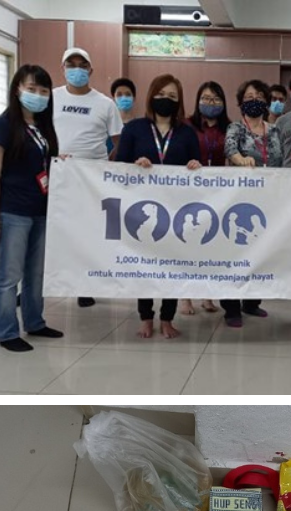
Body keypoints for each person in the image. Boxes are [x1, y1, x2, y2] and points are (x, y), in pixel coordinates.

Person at [114, 74, 203, 339]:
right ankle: (145, 318)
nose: (166, 100)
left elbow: (198, 170)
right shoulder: (134, 129)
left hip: (176, 211)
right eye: (162, 94)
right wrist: (135, 166)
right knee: (146, 266)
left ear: (180, 102)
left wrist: (195, 167)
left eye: (173, 97)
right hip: (142, 210)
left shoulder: (187, 132)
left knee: (172, 266)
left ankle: (167, 318)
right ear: (152, 96)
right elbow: (118, 168)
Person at [0, 65, 63, 353]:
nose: (37, 95)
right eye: (31, 89)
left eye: (43, 91)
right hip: (14, 210)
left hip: (42, 209)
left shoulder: (44, 127)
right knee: (9, 275)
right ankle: (7, 330)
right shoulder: (6, 123)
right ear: (17, 89)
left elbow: (45, 164)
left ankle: (35, 321)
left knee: (36, 272)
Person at [52, 47, 121, 309]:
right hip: (57, 176)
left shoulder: (105, 104)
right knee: (54, 232)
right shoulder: (52, 98)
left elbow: (118, 141)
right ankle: (41, 283)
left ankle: (84, 286)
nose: (77, 69)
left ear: (91, 70)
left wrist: (105, 169)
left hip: (92, 180)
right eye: (71, 64)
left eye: (83, 65)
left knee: (88, 233)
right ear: (63, 69)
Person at [219, 79, 287, 328]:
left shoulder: (275, 129)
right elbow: (229, 149)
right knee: (236, 253)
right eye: (249, 97)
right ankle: (231, 307)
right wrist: (241, 159)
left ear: (267, 102)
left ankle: (251, 302)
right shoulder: (236, 127)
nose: (254, 100)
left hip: (268, 198)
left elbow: (281, 161)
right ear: (241, 102)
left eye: (259, 96)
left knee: (261, 252)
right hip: (239, 198)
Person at [180, 80, 232, 316]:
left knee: (213, 245)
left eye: (216, 99)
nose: (211, 104)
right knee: (189, 245)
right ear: (198, 100)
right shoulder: (186, 125)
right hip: (190, 191)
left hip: (219, 193)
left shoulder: (229, 127)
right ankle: (185, 296)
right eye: (206, 98)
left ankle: (208, 296)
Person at [109, 77, 138, 155]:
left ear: (134, 98)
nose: (124, 97)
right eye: (119, 95)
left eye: (128, 94)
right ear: (113, 98)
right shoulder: (107, 126)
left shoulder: (140, 126)